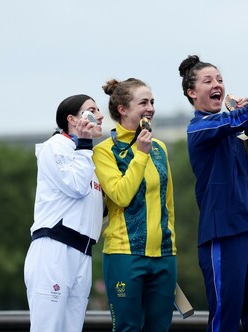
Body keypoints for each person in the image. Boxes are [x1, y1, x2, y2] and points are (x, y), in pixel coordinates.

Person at [177, 54, 248, 331]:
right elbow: (237, 120)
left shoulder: (234, 127)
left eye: (219, 79)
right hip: (224, 233)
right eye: (208, 81)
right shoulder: (200, 128)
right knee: (225, 320)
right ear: (192, 93)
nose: (217, 84)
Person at [92, 78, 177, 331]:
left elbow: (168, 203)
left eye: (152, 102)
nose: (150, 108)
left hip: (164, 255)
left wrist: (170, 243)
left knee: (160, 328)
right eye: (143, 102)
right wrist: (140, 154)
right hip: (125, 255)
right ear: (123, 109)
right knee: (128, 328)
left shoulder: (160, 148)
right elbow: (120, 195)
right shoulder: (105, 151)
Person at [24, 94, 105, 332]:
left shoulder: (87, 154)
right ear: (72, 119)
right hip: (54, 248)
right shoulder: (56, 146)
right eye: (92, 110)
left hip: (83, 253)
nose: (100, 115)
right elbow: (76, 187)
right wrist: (84, 144)